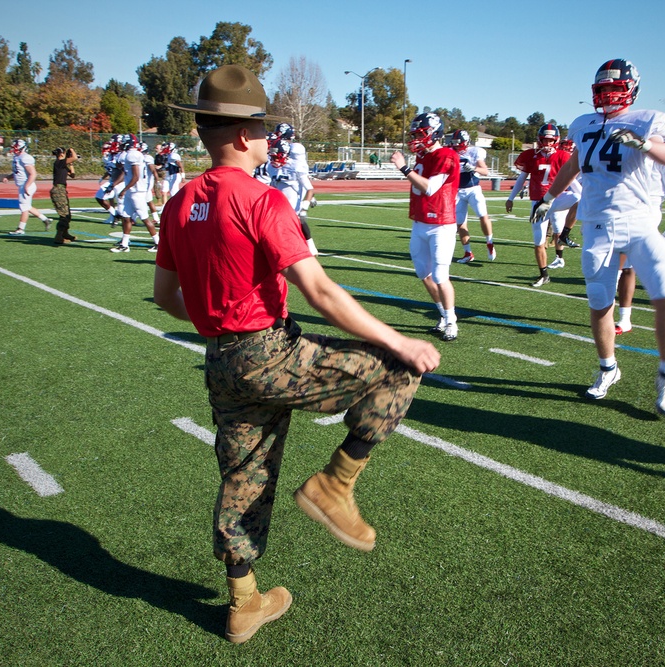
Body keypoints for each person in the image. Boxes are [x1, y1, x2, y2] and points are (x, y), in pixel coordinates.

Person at [154, 64, 440, 644]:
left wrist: (218, 318)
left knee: (243, 475)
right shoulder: (261, 200)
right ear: (240, 135)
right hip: (267, 350)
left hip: (221, 361)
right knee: (398, 368)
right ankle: (336, 483)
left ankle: (243, 602)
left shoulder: (181, 201)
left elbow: (167, 299)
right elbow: (323, 292)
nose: (268, 139)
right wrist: (400, 339)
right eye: (263, 129)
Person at [535, 58, 665, 416]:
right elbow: (573, 165)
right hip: (597, 227)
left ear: (632, 90)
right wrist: (550, 197)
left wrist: (643, 143)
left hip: (641, 224)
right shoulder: (583, 124)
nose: (606, 97)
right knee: (600, 305)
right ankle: (608, 368)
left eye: (613, 90)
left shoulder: (650, 119)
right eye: (601, 91)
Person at [390, 112, 461, 341]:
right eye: (415, 134)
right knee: (423, 273)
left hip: (441, 223)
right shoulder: (423, 156)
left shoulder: (447, 155)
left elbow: (430, 187)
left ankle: (452, 322)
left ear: (435, 133)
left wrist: (403, 168)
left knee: (441, 275)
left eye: (421, 134)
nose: (417, 139)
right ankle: (442, 314)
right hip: (420, 222)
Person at [615, 161, 665, 334]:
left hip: (648, 213)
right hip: (624, 209)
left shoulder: (662, 156)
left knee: (625, 263)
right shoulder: (630, 151)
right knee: (623, 267)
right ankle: (621, 317)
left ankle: (624, 317)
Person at [506, 123, 572, 286]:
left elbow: (570, 178)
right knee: (538, 241)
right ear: (539, 139)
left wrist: (584, 194)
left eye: (550, 140)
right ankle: (543, 274)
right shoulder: (531, 155)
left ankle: (565, 236)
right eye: (545, 140)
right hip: (538, 201)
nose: (548, 143)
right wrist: (511, 197)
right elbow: (522, 178)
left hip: (557, 198)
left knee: (560, 226)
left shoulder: (563, 156)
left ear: (555, 140)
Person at [270, 123, 318, 256]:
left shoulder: (296, 158)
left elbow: (306, 182)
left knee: (296, 221)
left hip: (295, 193)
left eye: (277, 155)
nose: (274, 158)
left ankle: (306, 246)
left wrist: (306, 204)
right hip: (281, 197)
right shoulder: (271, 165)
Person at [449, 130, 496, 263]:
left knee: (482, 216)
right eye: (454, 143)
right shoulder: (451, 152)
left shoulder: (475, 152)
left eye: (458, 143)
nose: (456, 146)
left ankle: (489, 242)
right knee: (460, 223)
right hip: (458, 191)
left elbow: (485, 171)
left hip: (473, 189)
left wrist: (473, 168)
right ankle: (468, 253)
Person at [109, 134, 160, 253]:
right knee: (126, 217)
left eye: (122, 142)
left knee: (145, 219)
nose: (120, 144)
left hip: (137, 192)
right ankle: (124, 245)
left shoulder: (132, 155)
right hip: (132, 191)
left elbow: (136, 176)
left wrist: (124, 189)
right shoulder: (132, 154)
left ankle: (158, 243)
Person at [4, 139, 51, 235]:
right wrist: (8, 177)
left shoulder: (25, 158)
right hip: (23, 185)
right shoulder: (17, 157)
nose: (14, 149)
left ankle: (20, 229)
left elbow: (33, 174)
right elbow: (18, 171)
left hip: (26, 185)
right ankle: (45, 219)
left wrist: (26, 186)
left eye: (16, 147)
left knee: (24, 208)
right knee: (26, 206)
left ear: (22, 147)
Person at [50, 147, 78, 245]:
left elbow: (73, 175)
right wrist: (72, 150)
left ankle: (65, 233)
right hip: (58, 190)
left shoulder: (62, 164)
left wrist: (70, 164)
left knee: (67, 214)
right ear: (62, 154)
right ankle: (59, 236)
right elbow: (75, 157)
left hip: (62, 190)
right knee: (64, 215)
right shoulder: (59, 162)